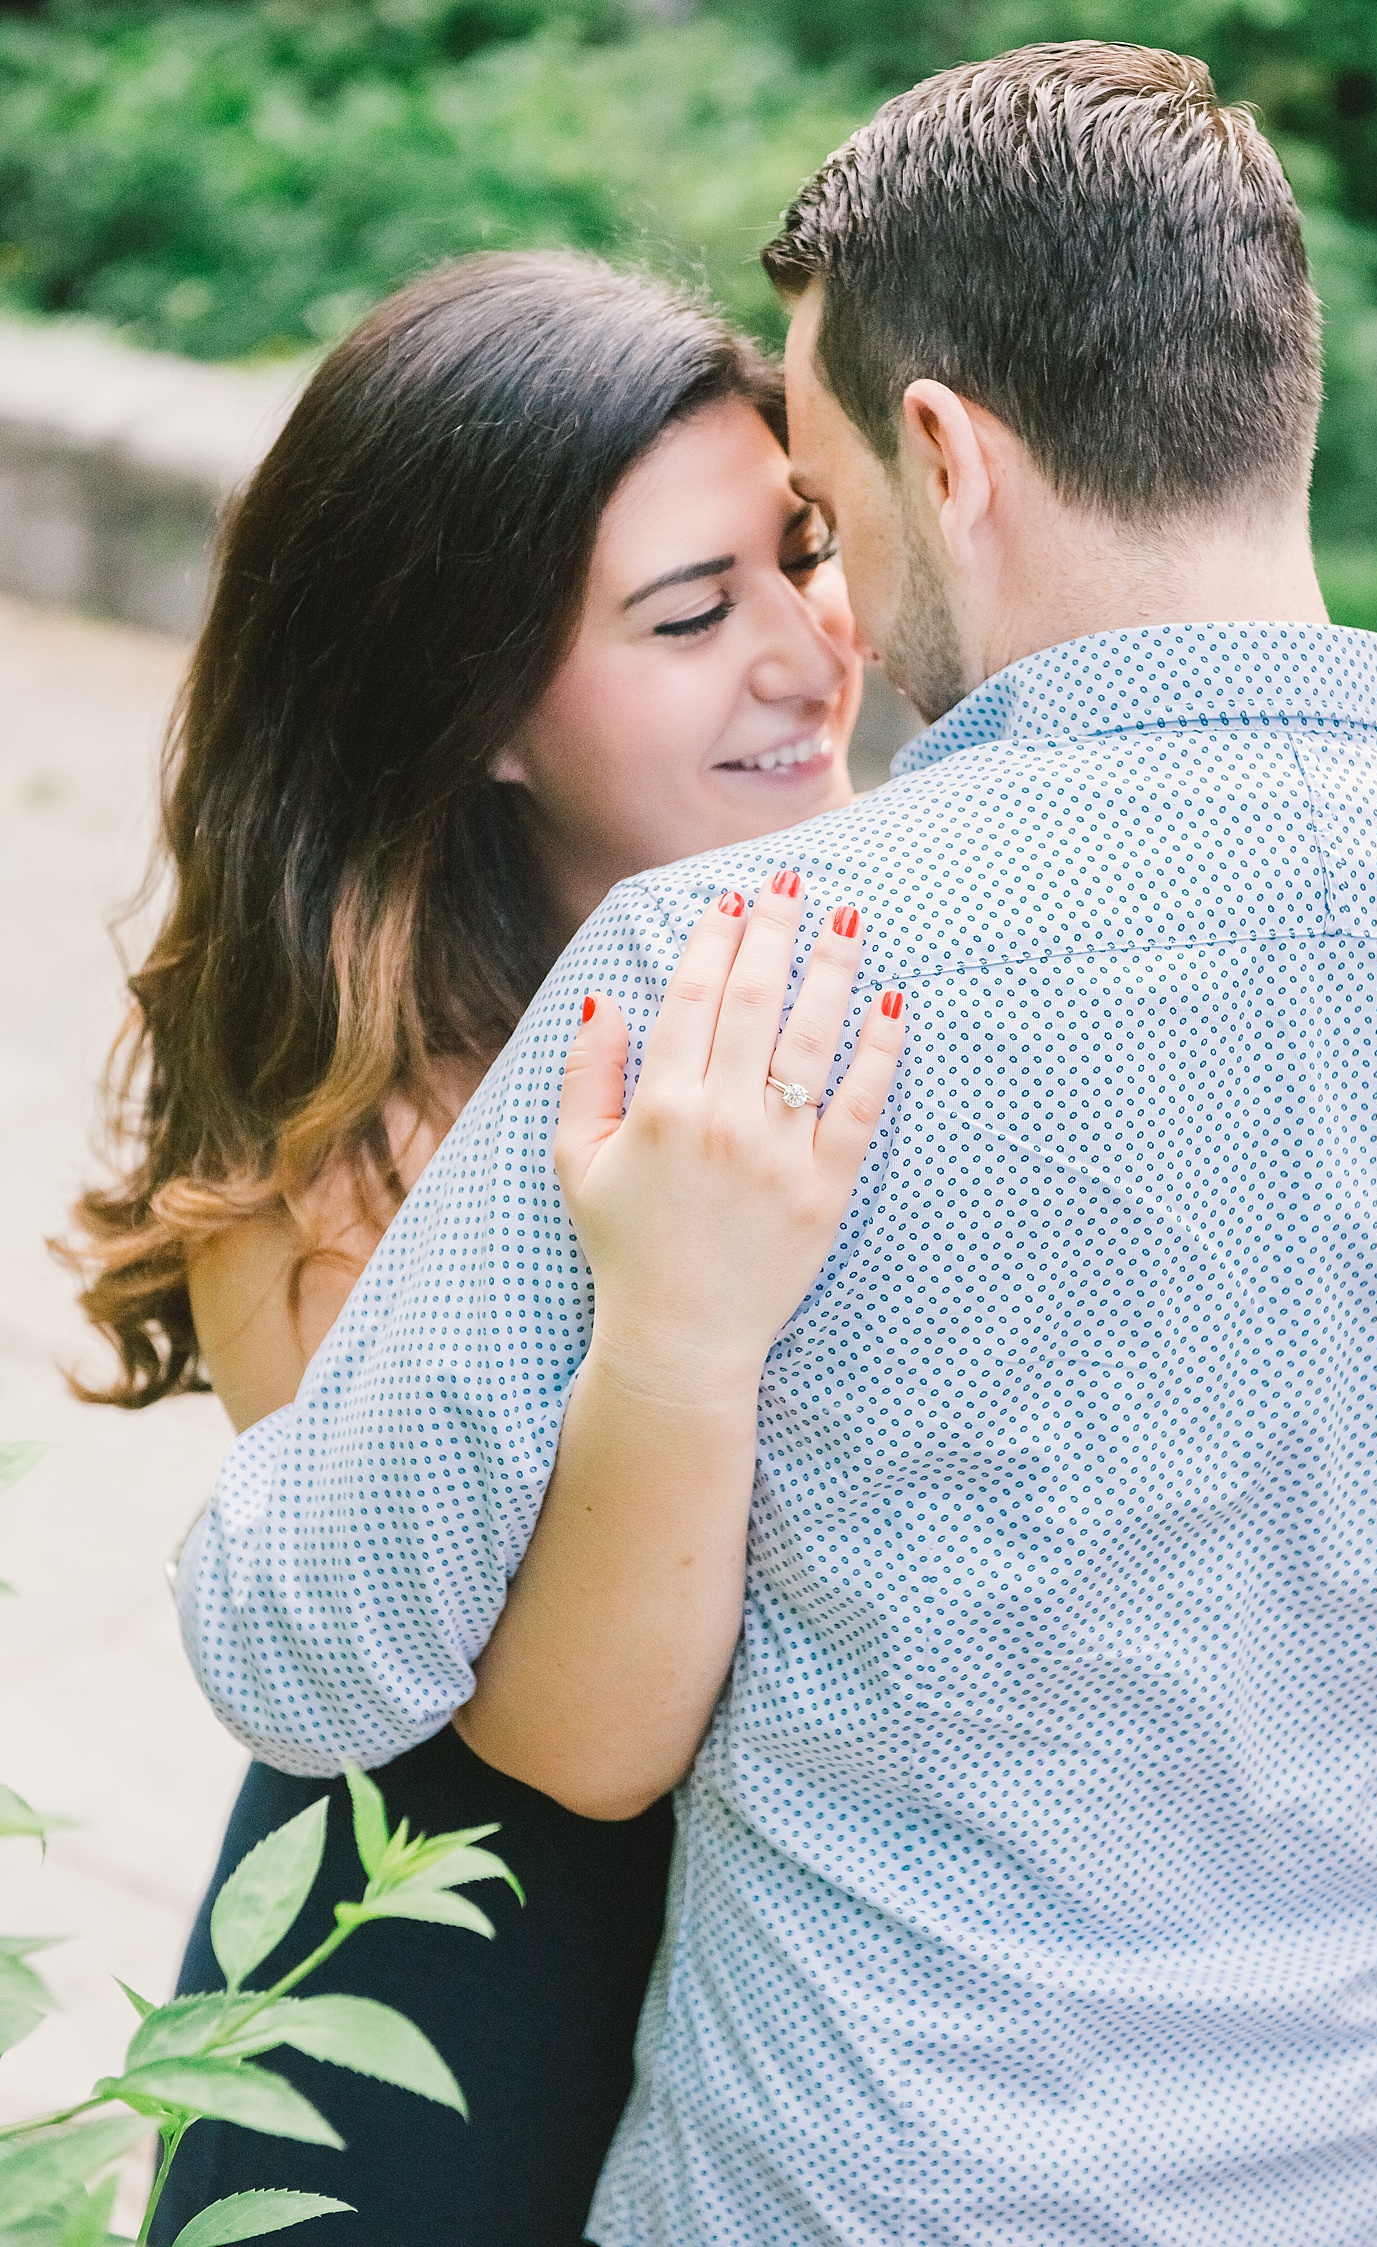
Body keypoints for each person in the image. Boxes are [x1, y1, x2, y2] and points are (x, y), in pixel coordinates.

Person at [176, 40, 1377, 2247]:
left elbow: (295, 1638)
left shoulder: (741, 968)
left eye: (816, 518)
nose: (821, 636)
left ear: (942, 458)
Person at [63, 249, 879, 2246]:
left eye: (804, 549)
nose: (807, 649)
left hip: (827, 2025)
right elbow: (566, 1736)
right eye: (695, 612)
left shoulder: (876, 925)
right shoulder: (345, 1124)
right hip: (449, 2032)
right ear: (478, 706)